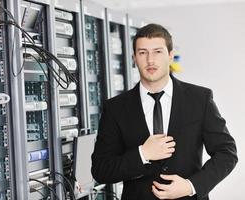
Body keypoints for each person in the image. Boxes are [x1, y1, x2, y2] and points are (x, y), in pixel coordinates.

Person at [91, 23, 238, 200]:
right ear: (134, 58)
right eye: (143, 52)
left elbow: (227, 153)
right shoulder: (115, 108)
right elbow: (101, 170)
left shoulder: (200, 99)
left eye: (158, 52)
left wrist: (191, 186)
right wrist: (142, 154)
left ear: (170, 55)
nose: (150, 60)